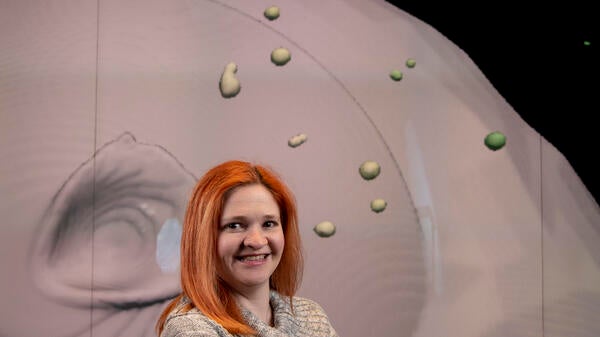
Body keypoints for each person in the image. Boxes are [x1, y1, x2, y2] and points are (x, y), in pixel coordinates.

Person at [156, 160, 339, 337]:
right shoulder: (188, 328)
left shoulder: (311, 317)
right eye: (235, 226)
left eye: (269, 223)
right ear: (202, 238)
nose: (257, 241)